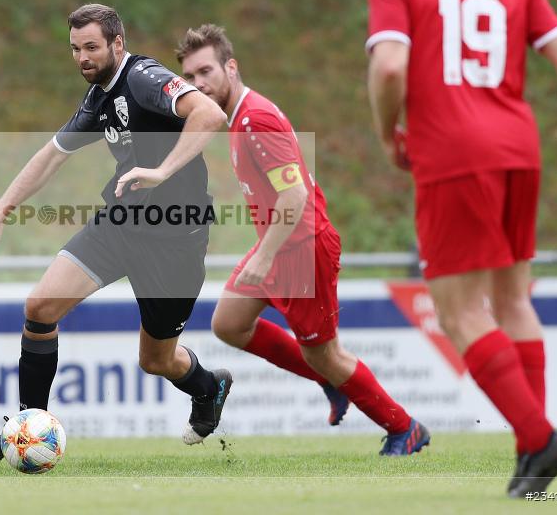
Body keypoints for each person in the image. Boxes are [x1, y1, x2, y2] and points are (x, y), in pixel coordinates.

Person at [366, 0, 557, 496]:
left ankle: (540, 438)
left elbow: (390, 64)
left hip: (453, 152)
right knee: (513, 298)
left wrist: (388, 130)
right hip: (520, 150)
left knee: (460, 312)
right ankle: (532, 460)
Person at [0, 4, 233, 459]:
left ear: (117, 44)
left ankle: (209, 387)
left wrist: (161, 170)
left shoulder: (144, 78)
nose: (82, 57)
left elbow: (210, 114)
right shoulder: (99, 98)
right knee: (41, 307)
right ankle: (26, 430)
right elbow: (50, 156)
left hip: (174, 239)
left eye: (91, 47)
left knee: (156, 360)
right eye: (75, 49)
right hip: (121, 224)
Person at [178, 24, 429, 455]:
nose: (198, 84)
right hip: (279, 245)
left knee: (326, 355)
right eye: (190, 78)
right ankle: (329, 380)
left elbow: (295, 195)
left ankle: (405, 428)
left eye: (206, 71)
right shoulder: (239, 117)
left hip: (301, 249)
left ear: (231, 67)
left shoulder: (256, 118)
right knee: (229, 324)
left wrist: (266, 254)